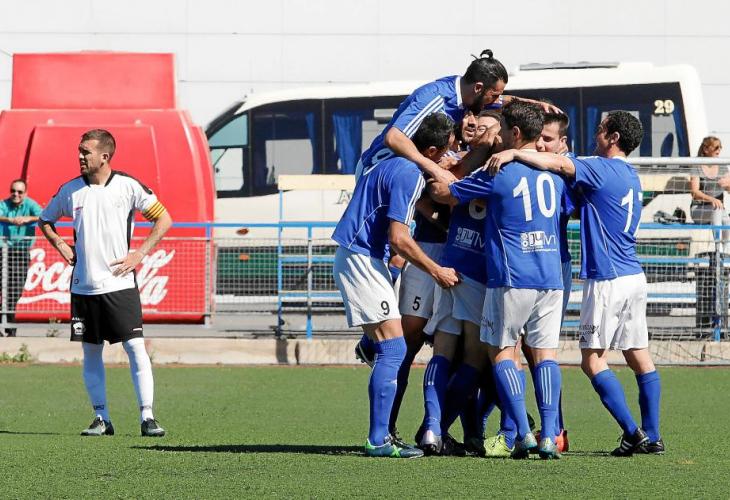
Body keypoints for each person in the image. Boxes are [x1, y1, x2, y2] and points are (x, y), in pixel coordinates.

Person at [487, 110, 664, 456]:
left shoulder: (602, 167)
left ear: (613, 138)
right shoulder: (630, 174)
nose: (596, 135)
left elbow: (560, 164)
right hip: (634, 275)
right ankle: (654, 435)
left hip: (608, 279)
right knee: (639, 356)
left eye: (601, 129)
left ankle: (633, 432)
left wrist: (514, 153)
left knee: (592, 361)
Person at [431, 101, 568, 459]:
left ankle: (522, 432)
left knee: (500, 352)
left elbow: (446, 193)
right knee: (546, 356)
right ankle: (549, 435)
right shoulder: (554, 173)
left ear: (515, 133)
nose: (500, 136)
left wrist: (433, 171)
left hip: (511, 276)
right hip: (551, 277)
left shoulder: (499, 170)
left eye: (504, 130)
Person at [332, 113, 459, 458]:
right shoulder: (409, 174)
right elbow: (399, 238)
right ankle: (378, 440)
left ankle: (368, 349)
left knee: (390, 346)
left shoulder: (394, 164)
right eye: (448, 150)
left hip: (361, 256)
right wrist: (436, 270)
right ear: (432, 151)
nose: (450, 156)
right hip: (361, 258)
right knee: (394, 349)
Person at [39, 129, 172, 437]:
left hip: (120, 286)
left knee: (135, 347)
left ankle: (148, 417)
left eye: (85, 151)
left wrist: (139, 253)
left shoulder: (128, 186)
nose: (80, 156)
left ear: (104, 156)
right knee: (91, 352)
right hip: (83, 288)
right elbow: (45, 220)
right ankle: (102, 418)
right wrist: (60, 243)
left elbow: (164, 219)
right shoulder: (70, 190)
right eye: (79, 150)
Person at [355, 49, 556, 184]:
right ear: (478, 88)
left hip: (402, 172)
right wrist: (435, 169)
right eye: (494, 95)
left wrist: (535, 104)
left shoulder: (467, 94)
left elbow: (503, 100)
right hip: (375, 170)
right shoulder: (436, 98)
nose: (496, 100)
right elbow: (394, 137)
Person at [0, 179, 42, 336]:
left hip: (21, 252)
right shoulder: (4, 204)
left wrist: (28, 219)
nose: (16, 194)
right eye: (13, 191)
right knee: (2, 289)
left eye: (19, 192)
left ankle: (8, 324)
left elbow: (43, 215)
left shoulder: (30, 204)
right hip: (3, 251)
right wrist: (9, 220)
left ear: (25, 193)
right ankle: (7, 325)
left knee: (15, 290)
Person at [690, 137, 729, 242]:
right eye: (716, 147)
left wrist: (728, 186)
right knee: (717, 209)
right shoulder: (697, 165)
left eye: (720, 147)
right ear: (706, 149)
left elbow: (729, 188)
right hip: (698, 209)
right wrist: (712, 199)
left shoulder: (722, 165)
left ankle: (726, 248)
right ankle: (718, 247)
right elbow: (694, 193)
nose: (719, 149)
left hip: (719, 210)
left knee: (727, 220)